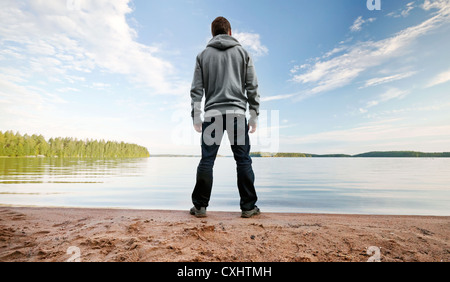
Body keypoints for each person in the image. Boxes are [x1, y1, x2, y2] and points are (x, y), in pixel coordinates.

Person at [190, 16, 261, 218]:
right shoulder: (243, 53)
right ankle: (248, 208)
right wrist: (254, 115)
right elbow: (252, 87)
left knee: (207, 160)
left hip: (212, 115)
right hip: (237, 115)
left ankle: (200, 207)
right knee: (243, 161)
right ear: (230, 31)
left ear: (213, 34)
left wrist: (196, 116)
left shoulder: (203, 55)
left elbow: (196, 89)